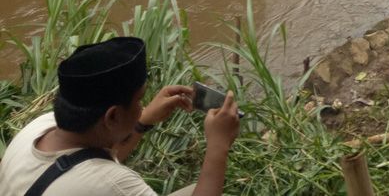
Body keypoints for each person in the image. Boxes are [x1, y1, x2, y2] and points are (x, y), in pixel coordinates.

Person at [0, 37, 240, 196]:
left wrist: (143, 122)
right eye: (138, 101)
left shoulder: (38, 128)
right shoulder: (112, 185)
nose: (143, 106)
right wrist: (218, 145)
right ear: (112, 116)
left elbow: (84, 160)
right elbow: (97, 176)